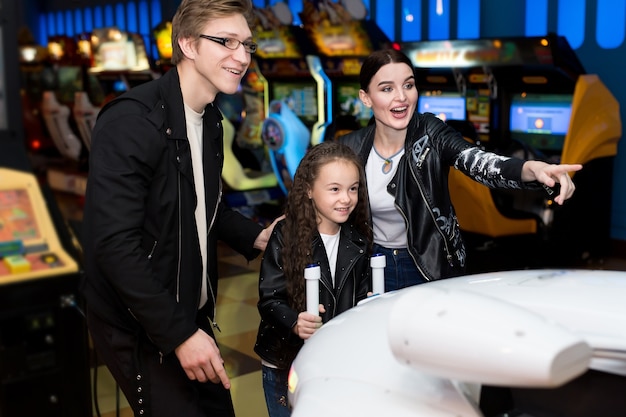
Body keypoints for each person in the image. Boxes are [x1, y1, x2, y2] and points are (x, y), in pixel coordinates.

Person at [81, 1, 281, 416]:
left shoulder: (210, 120)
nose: (242, 56)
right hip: (139, 320)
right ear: (187, 44)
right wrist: (178, 335)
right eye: (226, 42)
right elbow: (114, 246)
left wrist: (257, 235)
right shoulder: (131, 121)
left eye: (247, 44)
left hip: (185, 308)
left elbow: (205, 204)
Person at [339, 48, 583, 291]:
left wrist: (532, 169)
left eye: (408, 85)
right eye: (387, 89)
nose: (401, 97)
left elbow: (480, 162)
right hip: (371, 266)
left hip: (428, 265)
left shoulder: (431, 132)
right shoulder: (349, 147)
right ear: (366, 97)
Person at [254, 141, 372, 417]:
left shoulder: (358, 239)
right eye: (335, 189)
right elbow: (269, 298)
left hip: (335, 360)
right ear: (308, 190)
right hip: (286, 361)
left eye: (353, 189)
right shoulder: (286, 235)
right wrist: (294, 321)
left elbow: (363, 294)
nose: (346, 198)